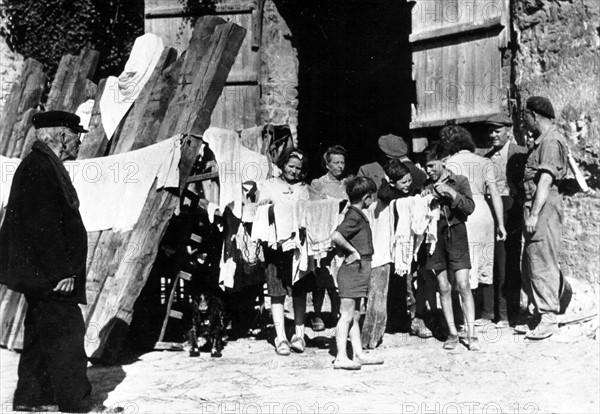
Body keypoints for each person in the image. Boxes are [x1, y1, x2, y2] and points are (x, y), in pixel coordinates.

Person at [0, 111, 91, 412]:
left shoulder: (41, 164)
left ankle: (31, 399)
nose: (80, 140)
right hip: (50, 274)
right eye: (77, 134)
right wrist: (62, 271)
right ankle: (75, 403)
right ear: (63, 136)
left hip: (40, 272)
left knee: (40, 333)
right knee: (67, 332)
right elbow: (44, 227)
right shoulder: (40, 167)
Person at [441, 125, 507, 327]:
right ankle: (487, 313)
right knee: (486, 259)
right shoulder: (485, 161)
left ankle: (466, 314)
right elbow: (495, 193)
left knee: (464, 261)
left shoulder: (449, 163)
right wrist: (500, 223)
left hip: (464, 211)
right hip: (484, 212)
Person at [518, 96, 571, 340]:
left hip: (544, 206)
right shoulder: (541, 142)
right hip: (537, 205)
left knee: (542, 257)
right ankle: (541, 310)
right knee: (532, 258)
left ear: (534, 116)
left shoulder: (550, 141)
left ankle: (549, 317)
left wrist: (534, 214)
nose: (523, 120)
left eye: (525, 116)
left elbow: (546, 181)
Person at [421, 142, 478, 350]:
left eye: (432, 166)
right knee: (443, 287)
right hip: (435, 239)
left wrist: (450, 193)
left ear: (444, 162)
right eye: (426, 167)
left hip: (457, 236)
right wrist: (425, 202)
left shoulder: (460, 181)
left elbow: (470, 208)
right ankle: (452, 333)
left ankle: (472, 333)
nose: (428, 171)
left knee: (463, 285)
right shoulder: (425, 186)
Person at [257, 148, 311, 355]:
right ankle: (281, 337)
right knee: (277, 292)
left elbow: (306, 211)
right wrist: (266, 206)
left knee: (299, 290)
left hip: (297, 246)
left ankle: (299, 334)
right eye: (291, 166)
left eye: (298, 168)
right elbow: (263, 208)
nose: (294, 171)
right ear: (282, 165)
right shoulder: (269, 185)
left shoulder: (302, 188)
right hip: (276, 246)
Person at [331, 176, 384, 369]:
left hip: (359, 270)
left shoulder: (356, 213)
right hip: (352, 271)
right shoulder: (354, 215)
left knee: (355, 314)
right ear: (367, 197)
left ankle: (358, 353)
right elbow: (336, 236)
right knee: (346, 314)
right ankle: (340, 357)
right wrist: (353, 251)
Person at [485, 113, 529, 327]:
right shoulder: (487, 157)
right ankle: (494, 311)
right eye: (490, 131)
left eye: (497, 131)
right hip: (493, 209)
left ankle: (509, 312)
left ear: (509, 130)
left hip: (512, 208)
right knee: (495, 260)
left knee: (509, 260)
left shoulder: (521, 153)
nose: (493, 135)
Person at [309, 145, 347, 331]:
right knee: (320, 277)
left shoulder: (347, 184)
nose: (340, 166)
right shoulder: (318, 183)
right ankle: (316, 315)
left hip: (341, 238)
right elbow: (315, 208)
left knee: (337, 277)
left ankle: (335, 313)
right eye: (336, 162)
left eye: (342, 162)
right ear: (327, 165)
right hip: (323, 237)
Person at [357, 133, 427, 192]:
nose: (395, 162)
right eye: (391, 159)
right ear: (383, 156)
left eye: (399, 159)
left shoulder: (410, 170)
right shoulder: (366, 171)